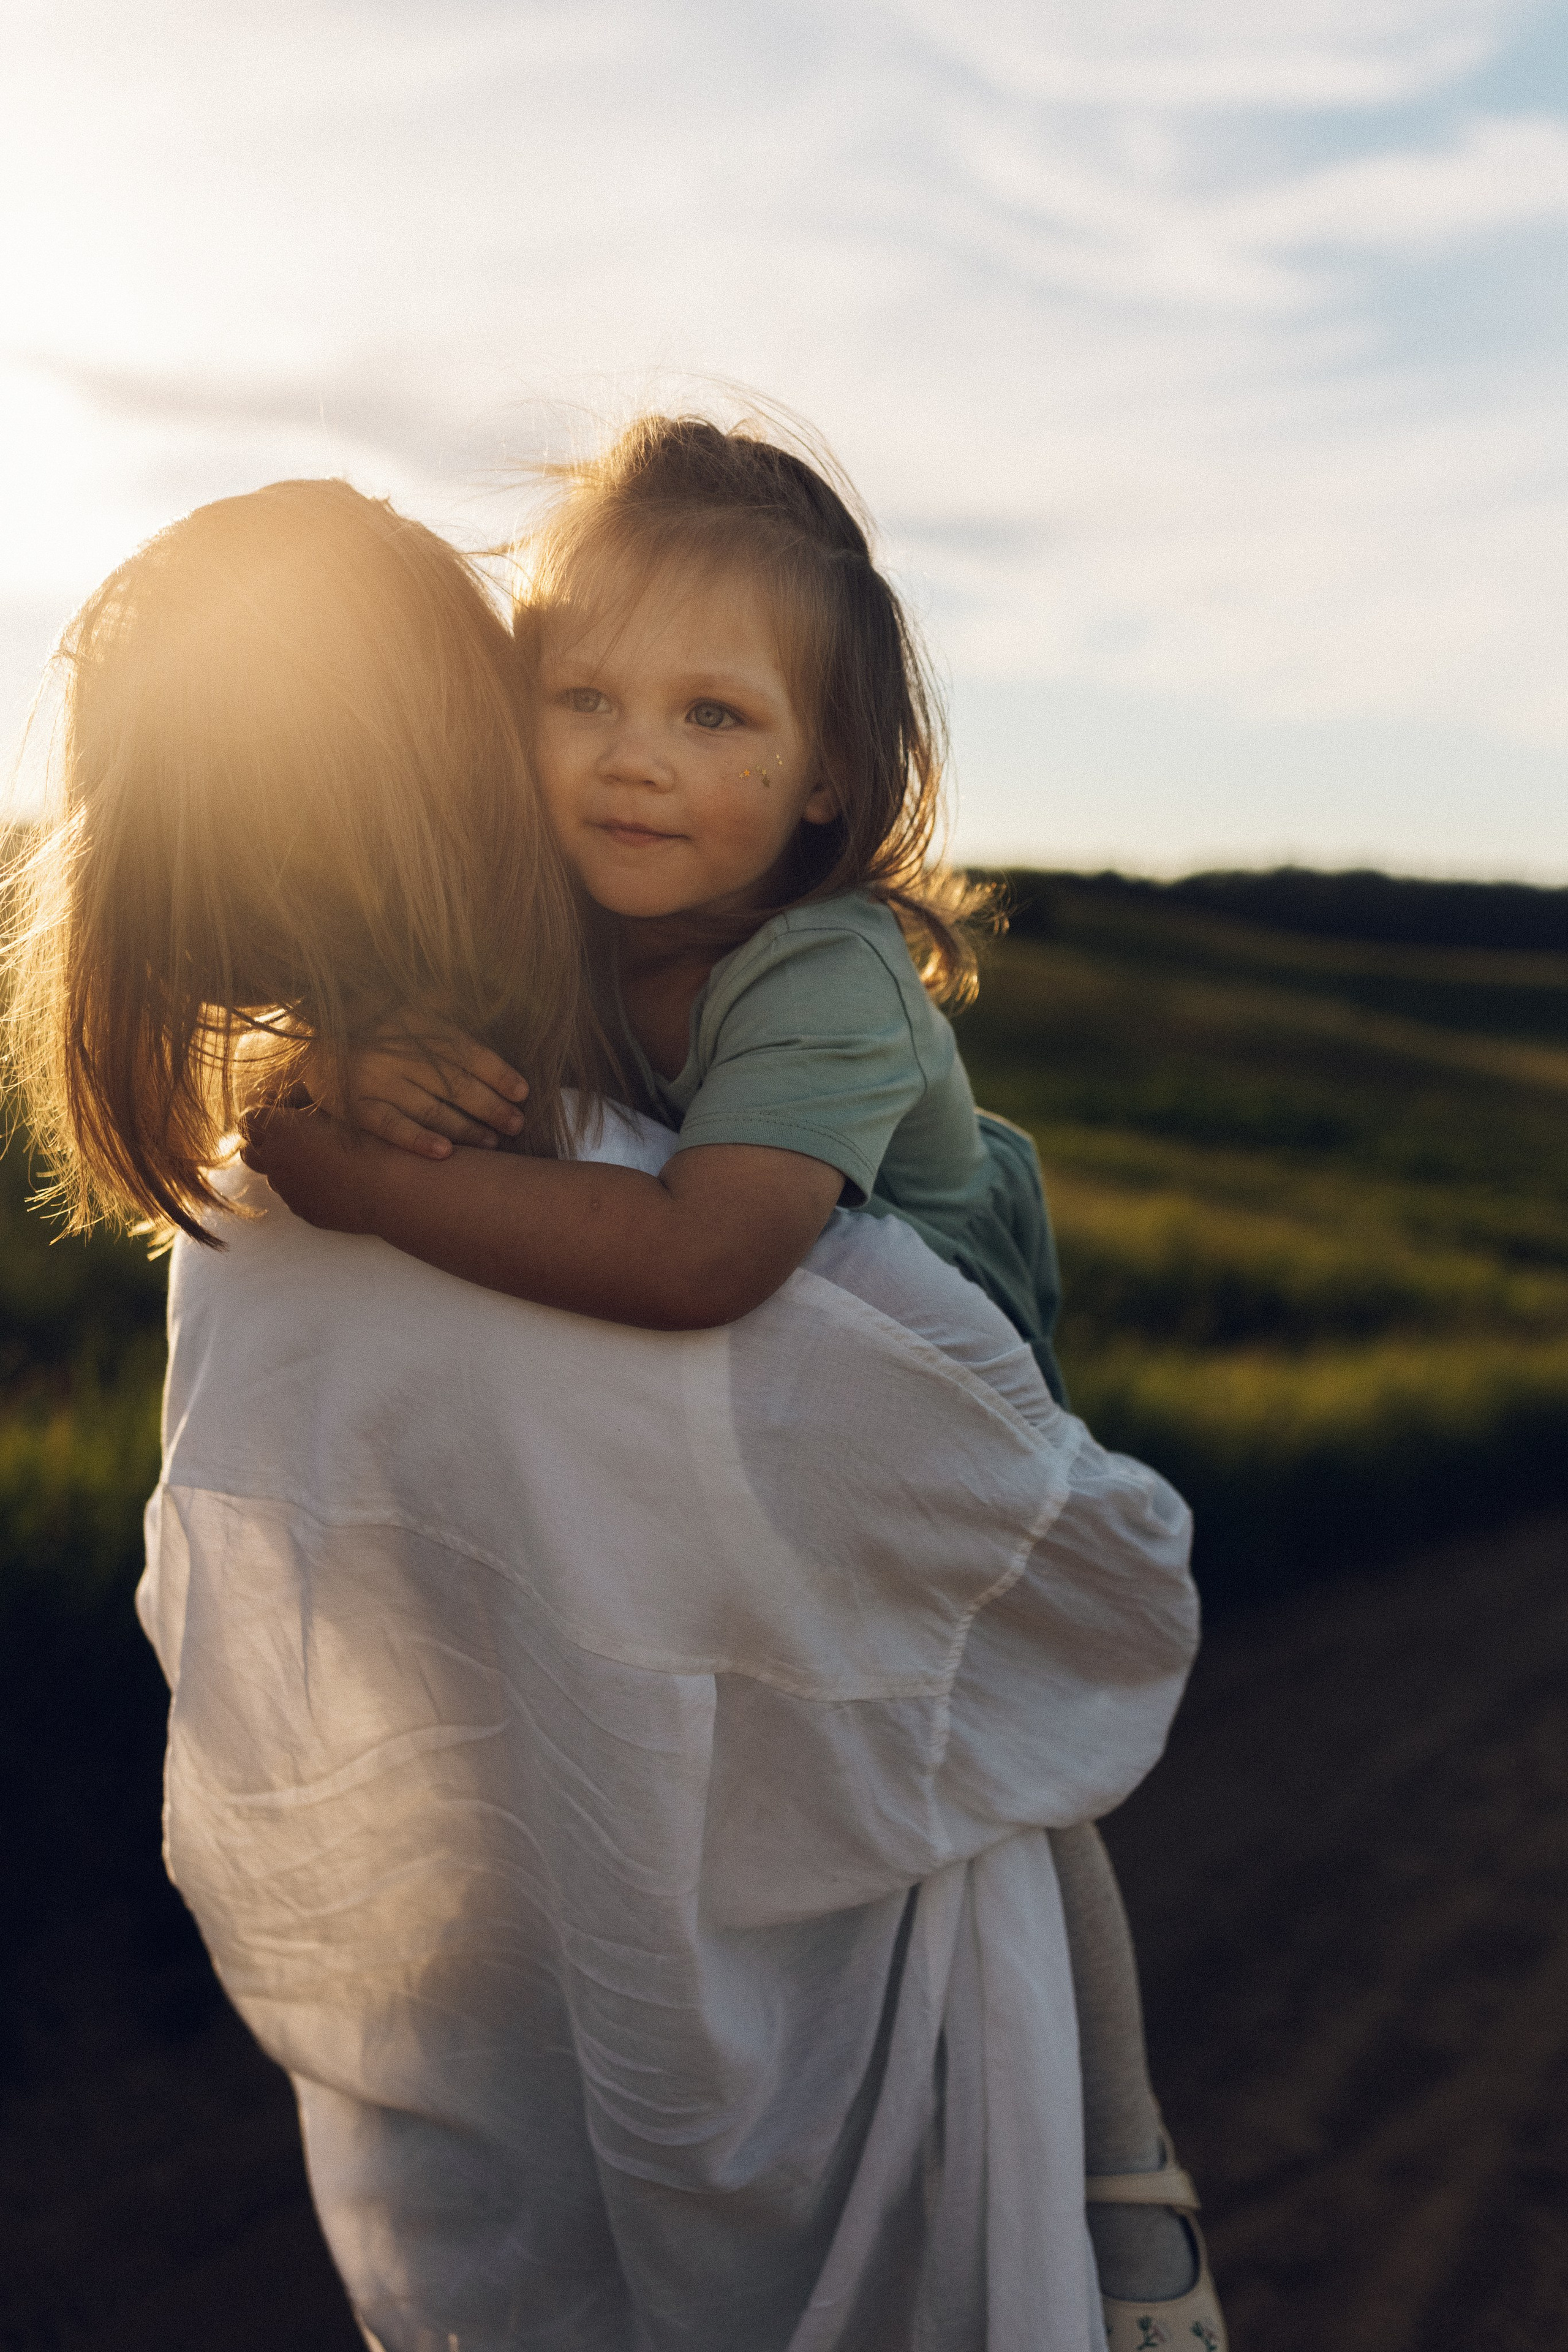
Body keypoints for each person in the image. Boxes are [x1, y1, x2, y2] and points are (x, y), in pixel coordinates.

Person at [7, 473, 1212, 2348]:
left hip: (934, 1306)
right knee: (980, 1763)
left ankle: (1127, 2178)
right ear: (510, 719)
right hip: (662, 1809)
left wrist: (366, 1164)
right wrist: (345, 1076)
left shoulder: (806, 978)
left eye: (713, 716)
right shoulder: (515, 996)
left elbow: (710, 1270)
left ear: (825, 779)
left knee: (1008, 1764)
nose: (634, 762)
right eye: (586, 702)